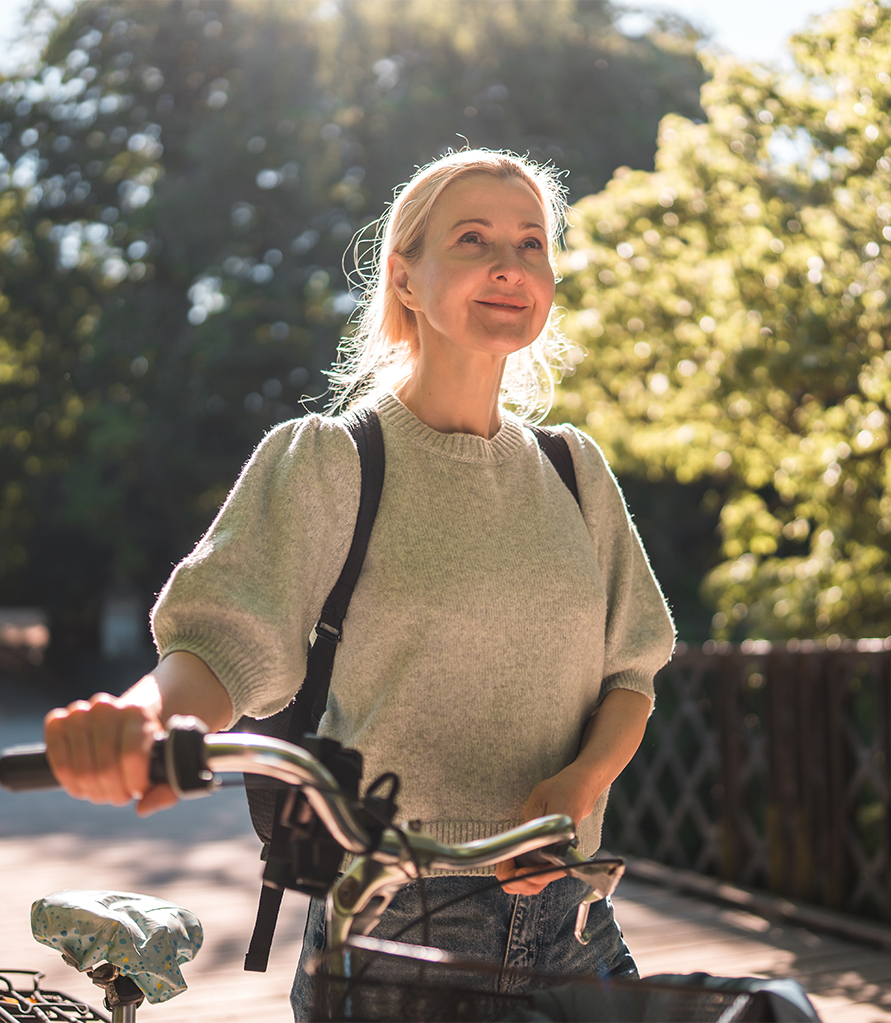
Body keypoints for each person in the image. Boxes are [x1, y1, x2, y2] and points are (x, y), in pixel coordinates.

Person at [44, 149, 675, 1020]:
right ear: (405, 278)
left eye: (532, 243)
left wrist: (577, 787)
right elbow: (221, 649)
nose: (510, 264)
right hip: (394, 935)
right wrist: (144, 719)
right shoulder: (328, 459)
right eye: (473, 238)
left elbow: (630, 676)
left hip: (574, 923)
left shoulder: (574, 470)